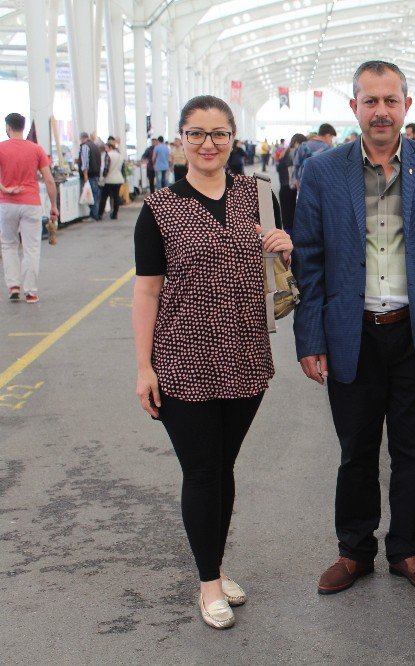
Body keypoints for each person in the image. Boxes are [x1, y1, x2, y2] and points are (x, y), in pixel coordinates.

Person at [293, 60, 415, 596]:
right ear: (354, 109)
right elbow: (310, 262)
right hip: (353, 332)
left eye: (391, 101)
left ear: (406, 106)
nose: (381, 111)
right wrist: (312, 338)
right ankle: (354, 551)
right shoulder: (324, 172)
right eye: (370, 101)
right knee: (356, 449)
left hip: (413, 329)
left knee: (413, 450)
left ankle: (408, 552)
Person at [132, 95, 291, 630]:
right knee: (202, 471)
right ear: (180, 139)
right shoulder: (159, 209)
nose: (208, 144)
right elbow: (147, 293)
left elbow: (279, 264)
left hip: (246, 355)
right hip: (183, 359)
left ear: (233, 138)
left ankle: (216, 570)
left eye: (219, 133)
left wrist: (284, 243)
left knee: (222, 468)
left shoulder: (257, 196)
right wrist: (143, 366)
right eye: (197, 133)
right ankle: (207, 585)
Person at [0, 112, 59, 302]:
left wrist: (5, 188)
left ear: (8, 127)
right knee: (31, 247)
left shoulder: (1, 148)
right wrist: (54, 206)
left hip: (7, 203)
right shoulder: (36, 149)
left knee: (9, 245)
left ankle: (13, 286)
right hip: (31, 203)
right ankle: (31, 291)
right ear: (23, 127)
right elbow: (49, 181)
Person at [277, 132, 306, 230]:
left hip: (283, 188)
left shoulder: (284, 152)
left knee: (286, 218)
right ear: (299, 142)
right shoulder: (295, 153)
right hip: (291, 189)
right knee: (292, 219)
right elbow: (293, 174)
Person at [99, 137, 125, 220]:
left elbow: (106, 168)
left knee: (104, 197)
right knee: (116, 197)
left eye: (106, 147)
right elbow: (122, 168)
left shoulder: (108, 155)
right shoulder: (120, 155)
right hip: (118, 178)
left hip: (109, 179)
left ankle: (100, 214)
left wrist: (103, 177)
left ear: (109, 147)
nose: (105, 149)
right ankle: (115, 214)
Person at [78, 132, 102, 219]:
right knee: (95, 194)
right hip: (96, 174)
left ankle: (95, 215)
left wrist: (85, 174)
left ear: (82, 138)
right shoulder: (95, 146)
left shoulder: (85, 146)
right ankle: (97, 213)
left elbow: (85, 161)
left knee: (90, 196)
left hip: (89, 175)